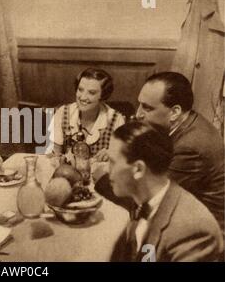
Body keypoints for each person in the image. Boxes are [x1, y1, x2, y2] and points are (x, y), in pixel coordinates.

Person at [95, 72, 224, 241]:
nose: (138, 114)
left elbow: (147, 201)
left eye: (147, 108)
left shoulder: (190, 147)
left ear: (174, 112)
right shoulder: (184, 125)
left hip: (205, 244)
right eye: (139, 104)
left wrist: (101, 178)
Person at [109, 121, 222, 262]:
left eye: (112, 162)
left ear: (138, 169)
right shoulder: (144, 201)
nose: (109, 172)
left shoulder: (193, 230)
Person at [46, 68, 125, 157]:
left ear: (103, 96)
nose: (83, 97)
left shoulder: (116, 120)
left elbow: (121, 159)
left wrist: (111, 155)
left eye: (91, 93)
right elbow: (54, 154)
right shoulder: (63, 113)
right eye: (80, 89)